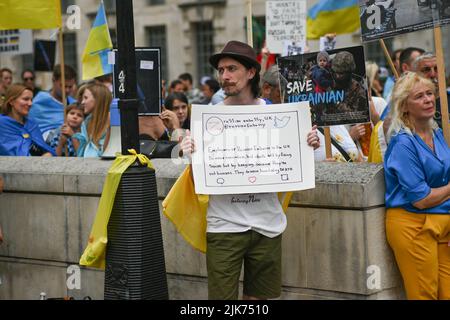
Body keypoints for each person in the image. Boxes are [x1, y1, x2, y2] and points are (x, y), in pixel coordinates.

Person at [168, 40, 320, 300]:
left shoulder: (275, 113)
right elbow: (186, 167)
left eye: (232, 69)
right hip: (224, 226)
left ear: (251, 72)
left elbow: (303, 161)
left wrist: (310, 144)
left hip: (267, 225)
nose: (224, 76)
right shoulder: (207, 116)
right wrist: (185, 150)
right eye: (221, 70)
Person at [384, 72, 450, 300]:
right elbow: (421, 199)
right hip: (414, 225)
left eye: (430, 93)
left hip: (443, 225)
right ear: (404, 107)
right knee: (425, 294)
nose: (429, 99)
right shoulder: (403, 142)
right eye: (420, 96)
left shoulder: (437, 132)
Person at [0, 84, 55, 156]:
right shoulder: (2, 124)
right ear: (11, 101)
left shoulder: (32, 124)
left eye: (31, 100)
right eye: (25, 99)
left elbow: (44, 148)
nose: (30, 103)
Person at [28, 64, 77, 140]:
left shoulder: (74, 104)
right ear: (54, 80)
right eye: (63, 86)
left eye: (70, 87)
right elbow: (30, 128)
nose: (67, 90)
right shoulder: (40, 101)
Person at [73, 83, 111, 157]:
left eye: (86, 98)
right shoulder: (86, 122)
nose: (82, 102)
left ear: (98, 100)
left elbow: (107, 153)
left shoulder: (111, 120)